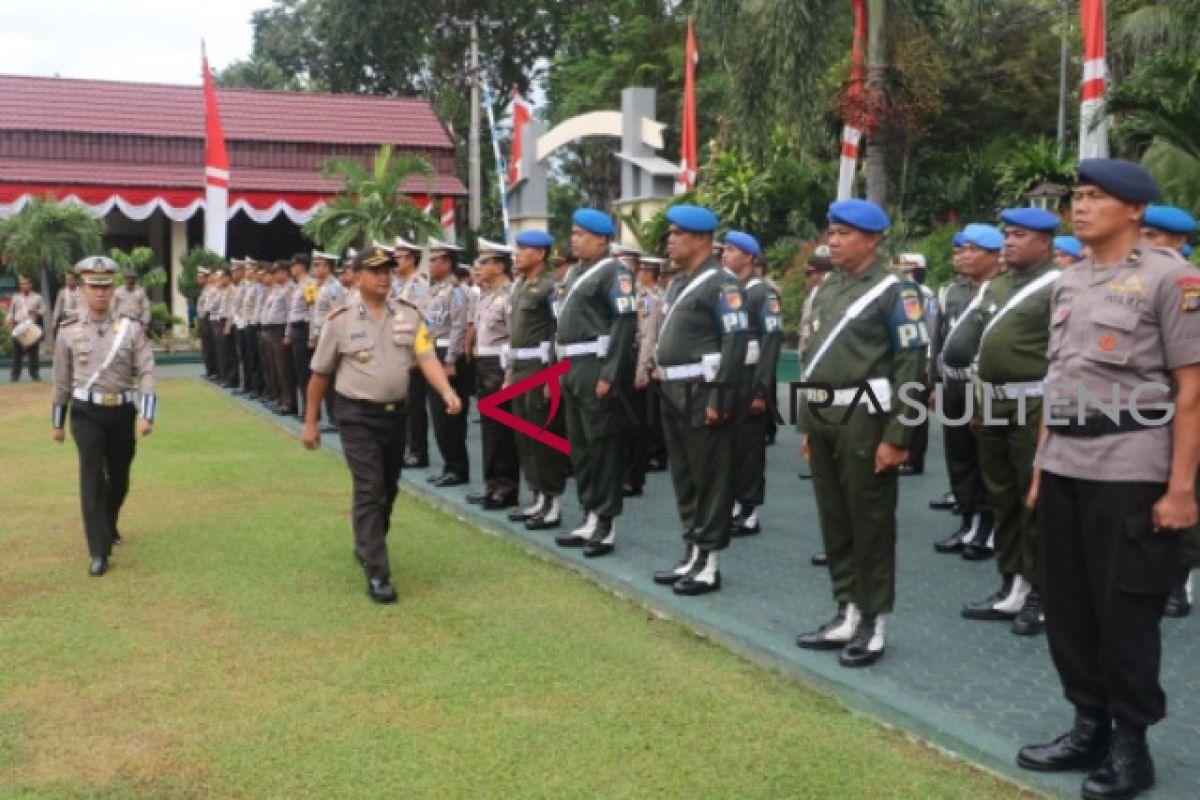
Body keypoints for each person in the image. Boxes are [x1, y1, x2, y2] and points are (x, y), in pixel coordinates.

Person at [1015, 159, 1200, 800]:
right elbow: (1058, 380)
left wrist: (1181, 489)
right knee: (1068, 609)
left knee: (1126, 613)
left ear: (1136, 210)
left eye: (1097, 196)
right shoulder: (1068, 283)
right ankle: (1087, 725)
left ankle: (1131, 747)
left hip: (1131, 468)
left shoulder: (1172, 279)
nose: (1081, 206)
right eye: (1079, 195)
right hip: (1066, 462)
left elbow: (1192, 390)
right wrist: (1041, 464)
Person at [794, 199, 928, 667]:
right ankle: (845, 609)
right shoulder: (827, 288)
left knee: (869, 521)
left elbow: (911, 366)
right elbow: (813, 358)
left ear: (872, 240)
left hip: (867, 418)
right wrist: (808, 424)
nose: (832, 240)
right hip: (826, 416)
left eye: (844, 233)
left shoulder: (896, 293)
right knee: (835, 519)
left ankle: (873, 619)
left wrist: (898, 437)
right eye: (831, 231)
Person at [301, 246, 462, 603]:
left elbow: (425, 356)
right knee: (370, 486)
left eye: (388, 271)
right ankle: (377, 571)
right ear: (358, 277)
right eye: (375, 272)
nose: (384, 278)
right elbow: (319, 375)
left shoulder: (409, 314)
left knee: (388, 488)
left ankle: (367, 542)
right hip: (356, 415)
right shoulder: (340, 320)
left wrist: (447, 390)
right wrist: (310, 421)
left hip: (395, 415)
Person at [961, 209, 1061, 637]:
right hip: (995, 403)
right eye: (1007, 235)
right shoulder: (997, 286)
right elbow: (980, 350)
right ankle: (1011, 584)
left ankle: (1041, 594)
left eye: (1020, 235)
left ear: (1045, 242)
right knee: (1001, 496)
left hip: (1035, 406)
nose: (1010, 242)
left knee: (1034, 500)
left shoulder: (1060, 286)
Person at [650, 205, 749, 595]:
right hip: (673, 389)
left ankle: (710, 561)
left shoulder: (722, 283)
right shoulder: (678, 283)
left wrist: (720, 397)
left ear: (702, 240)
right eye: (670, 233)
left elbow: (735, 339)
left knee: (710, 476)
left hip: (702, 390)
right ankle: (692, 550)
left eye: (678, 233)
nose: (670, 239)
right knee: (685, 475)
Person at [51, 256, 156, 576]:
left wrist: (147, 414)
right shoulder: (68, 331)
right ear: (82, 289)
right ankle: (98, 550)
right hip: (86, 413)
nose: (99, 293)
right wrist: (58, 421)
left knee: (120, 477)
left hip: (122, 411)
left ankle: (108, 521)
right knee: (91, 476)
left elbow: (147, 371)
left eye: (105, 286)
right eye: (93, 287)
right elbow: (61, 378)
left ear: (113, 290)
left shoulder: (131, 328)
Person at [552, 209, 637, 556]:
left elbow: (624, 322)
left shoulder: (615, 272)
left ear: (602, 239)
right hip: (570, 363)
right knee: (581, 445)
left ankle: (606, 523)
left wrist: (609, 374)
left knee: (601, 445)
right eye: (573, 233)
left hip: (594, 363)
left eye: (582, 234)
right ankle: (589, 515)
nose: (574, 239)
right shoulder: (575, 272)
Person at [1138, 206, 1200, 618]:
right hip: (1147, 406)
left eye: (1155, 236)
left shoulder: (1186, 285)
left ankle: (1182, 577)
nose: (1145, 244)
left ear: (1178, 242)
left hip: (1186, 402)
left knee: (1186, 485)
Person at [936, 224, 1004, 560]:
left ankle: (988, 527)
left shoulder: (1002, 291)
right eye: (959, 250)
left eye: (971, 250)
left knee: (985, 460)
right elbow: (939, 339)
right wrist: (935, 383)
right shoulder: (952, 292)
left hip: (983, 386)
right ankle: (968, 520)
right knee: (959, 455)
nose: (962, 257)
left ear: (994, 255)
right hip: (953, 384)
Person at [505, 230, 571, 530]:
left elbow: (559, 332)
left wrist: (552, 377)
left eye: (524, 249)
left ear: (540, 254)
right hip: (519, 365)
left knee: (542, 435)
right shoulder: (519, 286)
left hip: (539, 367)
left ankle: (553, 501)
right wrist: (508, 374)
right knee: (524, 437)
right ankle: (537, 496)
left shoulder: (550, 288)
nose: (517, 254)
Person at [722, 231, 782, 537]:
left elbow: (770, 343)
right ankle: (734, 502)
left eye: (732, 250)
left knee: (748, 447)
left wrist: (761, 390)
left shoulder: (762, 293)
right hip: (729, 376)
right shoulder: (728, 288)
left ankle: (749, 510)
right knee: (729, 444)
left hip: (750, 378)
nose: (725, 254)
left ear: (749, 256)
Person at [467, 239, 520, 510]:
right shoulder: (486, 294)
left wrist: (509, 374)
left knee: (502, 431)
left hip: (499, 366)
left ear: (500, 266)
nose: (480, 266)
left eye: (485, 261)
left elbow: (514, 338)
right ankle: (492, 484)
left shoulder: (510, 295)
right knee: (489, 430)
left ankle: (506, 487)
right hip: (484, 364)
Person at [424, 238, 471, 486]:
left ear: (447, 262)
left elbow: (458, 326)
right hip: (433, 353)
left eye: (434, 259)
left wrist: (451, 359)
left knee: (451, 416)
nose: (430, 264)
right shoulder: (435, 290)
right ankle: (448, 464)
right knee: (439, 416)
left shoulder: (456, 292)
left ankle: (458, 468)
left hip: (447, 356)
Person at [622, 254, 664, 497]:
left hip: (636, 360)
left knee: (634, 424)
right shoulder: (617, 294)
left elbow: (648, 337)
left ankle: (632, 478)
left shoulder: (644, 299)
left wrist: (642, 370)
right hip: (619, 362)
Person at [894, 253, 938, 476]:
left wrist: (928, 363)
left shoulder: (924, 294)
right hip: (901, 358)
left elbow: (930, 330)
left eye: (907, 269)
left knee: (916, 409)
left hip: (922, 358)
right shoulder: (899, 291)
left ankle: (914, 458)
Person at [797, 246, 834, 492]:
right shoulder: (817, 295)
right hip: (811, 364)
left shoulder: (826, 295)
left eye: (810, 274)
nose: (807, 279)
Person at [392, 237, 431, 468]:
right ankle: (409, 447)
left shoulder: (418, 285)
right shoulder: (402, 284)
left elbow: (423, 319)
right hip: (399, 351)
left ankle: (418, 451)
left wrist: (418, 354)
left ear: (411, 259)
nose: (395, 262)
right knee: (404, 405)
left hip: (413, 353)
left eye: (398, 258)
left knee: (415, 406)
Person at [309, 251, 344, 432]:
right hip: (321, 335)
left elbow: (336, 313)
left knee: (330, 381)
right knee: (324, 379)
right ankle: (331, 417)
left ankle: (336, 418)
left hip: (330, 337)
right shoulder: (319, 286)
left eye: (318, 265)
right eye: (314, 265)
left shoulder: (333, 287)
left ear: (327, 267)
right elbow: (315, 313)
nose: (315, 269)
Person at [263, 261, 298, 415]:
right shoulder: (279, 289)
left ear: (285, 272)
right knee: (276, 368)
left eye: (277, 272)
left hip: (280, 330)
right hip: (272, 330)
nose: (274, 275)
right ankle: (282, 399)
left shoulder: (290, 288)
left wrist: (287, 333)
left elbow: (291, 312)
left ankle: (290, 403)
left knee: (284, 369)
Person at [287, 254, 317, 415]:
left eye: (294, 265)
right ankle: (306, 407)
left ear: (302, 266)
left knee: (305, 372)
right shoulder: (298, 284)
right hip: (296, 328)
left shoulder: (309, 284)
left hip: (304, 329)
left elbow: (313, 311)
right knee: (299, 371)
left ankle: (311, 410)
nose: (291, 268)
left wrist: (312, 335)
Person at [7, 275, 45, 381]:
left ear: (30, 285)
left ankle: (34, 374)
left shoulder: (37, 297)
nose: (23, 286)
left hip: (31, 327)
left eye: (26, 283)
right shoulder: (16, 297)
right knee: (16, 353)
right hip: (18, 325)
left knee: (33, 353)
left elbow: (43, 310)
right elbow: (11, 311)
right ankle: (15, 375)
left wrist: (36, 311)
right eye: (22, 284)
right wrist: (9, 319)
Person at [195, 268, 218, 381]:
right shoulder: (204, 290)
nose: (198, 279)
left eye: (200, 277)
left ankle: (214, 371)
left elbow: (208, 308)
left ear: (207, 277)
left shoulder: (211, 290)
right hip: (203, 320)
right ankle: (209, 370)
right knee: (206, 347)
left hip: (208, 319)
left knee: (210, 347)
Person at [52, 271, 82, 336]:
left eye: (70, 279)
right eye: (67, 279)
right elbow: (58, 307)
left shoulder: (82, 291)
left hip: (79, 320)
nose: (68, 281)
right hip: (66, 320)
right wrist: (55, 320)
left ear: (75, 280)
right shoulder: (62, 292)